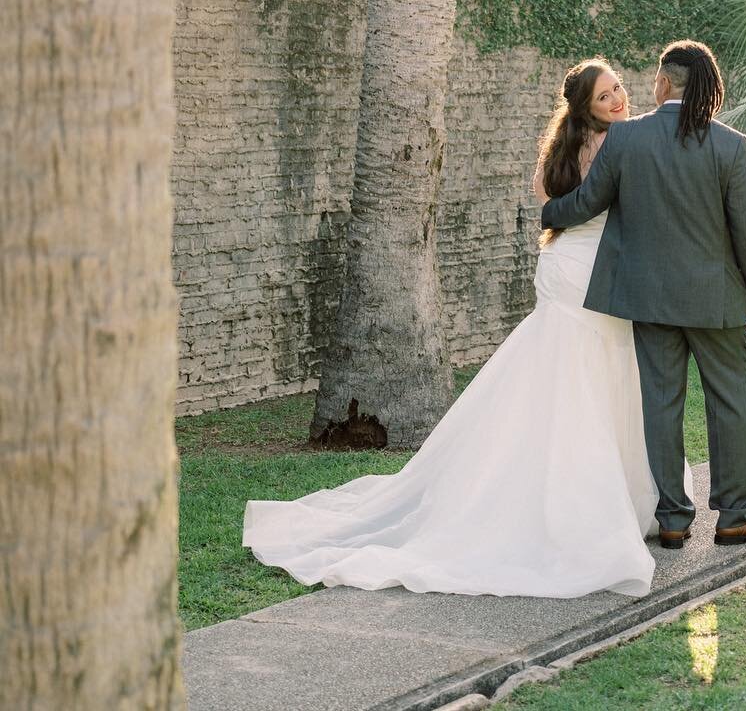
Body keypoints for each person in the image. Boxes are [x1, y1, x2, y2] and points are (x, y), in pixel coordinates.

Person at [242, 59, 670, 599]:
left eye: (620, 90)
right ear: (584, 103)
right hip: (588, 272)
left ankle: (590, 493)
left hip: (569, 265)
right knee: (584, 375)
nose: (619, 99)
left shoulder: (562, 149)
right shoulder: (618, 146)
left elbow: (549, 203)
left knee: (582, 373)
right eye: (606, 94)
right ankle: (582, 507)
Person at [541, 39, 746, 549]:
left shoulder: (627, 140)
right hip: (716, 301)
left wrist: (548, 215)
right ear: (705, 89)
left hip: (648, 300)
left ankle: (673, 518)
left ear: (663, 83)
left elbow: (585, 203)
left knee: (660, 404)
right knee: (730, 403)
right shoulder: (729, 145)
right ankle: (736, 515)